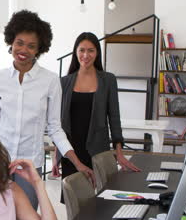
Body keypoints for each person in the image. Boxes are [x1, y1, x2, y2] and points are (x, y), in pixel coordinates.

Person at [0, 9, 93, 220]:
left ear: (39, 49)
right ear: (11, 42)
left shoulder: (50, 81)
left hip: (28, 166)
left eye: (31, 46)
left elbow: (55, 128)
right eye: (19, 43)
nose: (23, 50)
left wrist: (76, 162)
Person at [57, 32, 140, 184]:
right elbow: (59, 122)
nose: (85, 55)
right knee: (73, 199)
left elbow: (114, 118)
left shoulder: (108, 80)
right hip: (71, 151)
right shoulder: (64, 82)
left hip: (97, 148)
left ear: (97, 53)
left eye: (91, 50)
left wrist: (119, 154)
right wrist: (57, 155)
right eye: (82, 50)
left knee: (99, 199)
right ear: (75, 52)